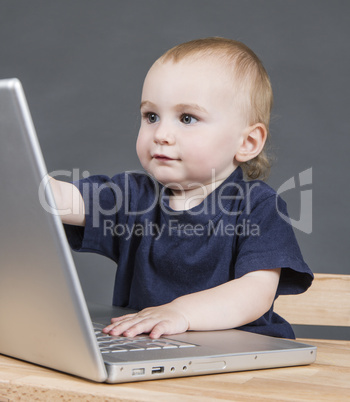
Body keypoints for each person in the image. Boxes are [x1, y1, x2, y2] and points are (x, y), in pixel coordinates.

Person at [49, 37, 313, 340]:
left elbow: (255, 293)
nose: (161, 134)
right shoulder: (131, 197)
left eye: (187, 118)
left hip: (236, 356)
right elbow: (58, 200)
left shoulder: (258, 207)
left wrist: (181, 313)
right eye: (151, 116)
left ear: (247, 142)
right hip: (149, 351)